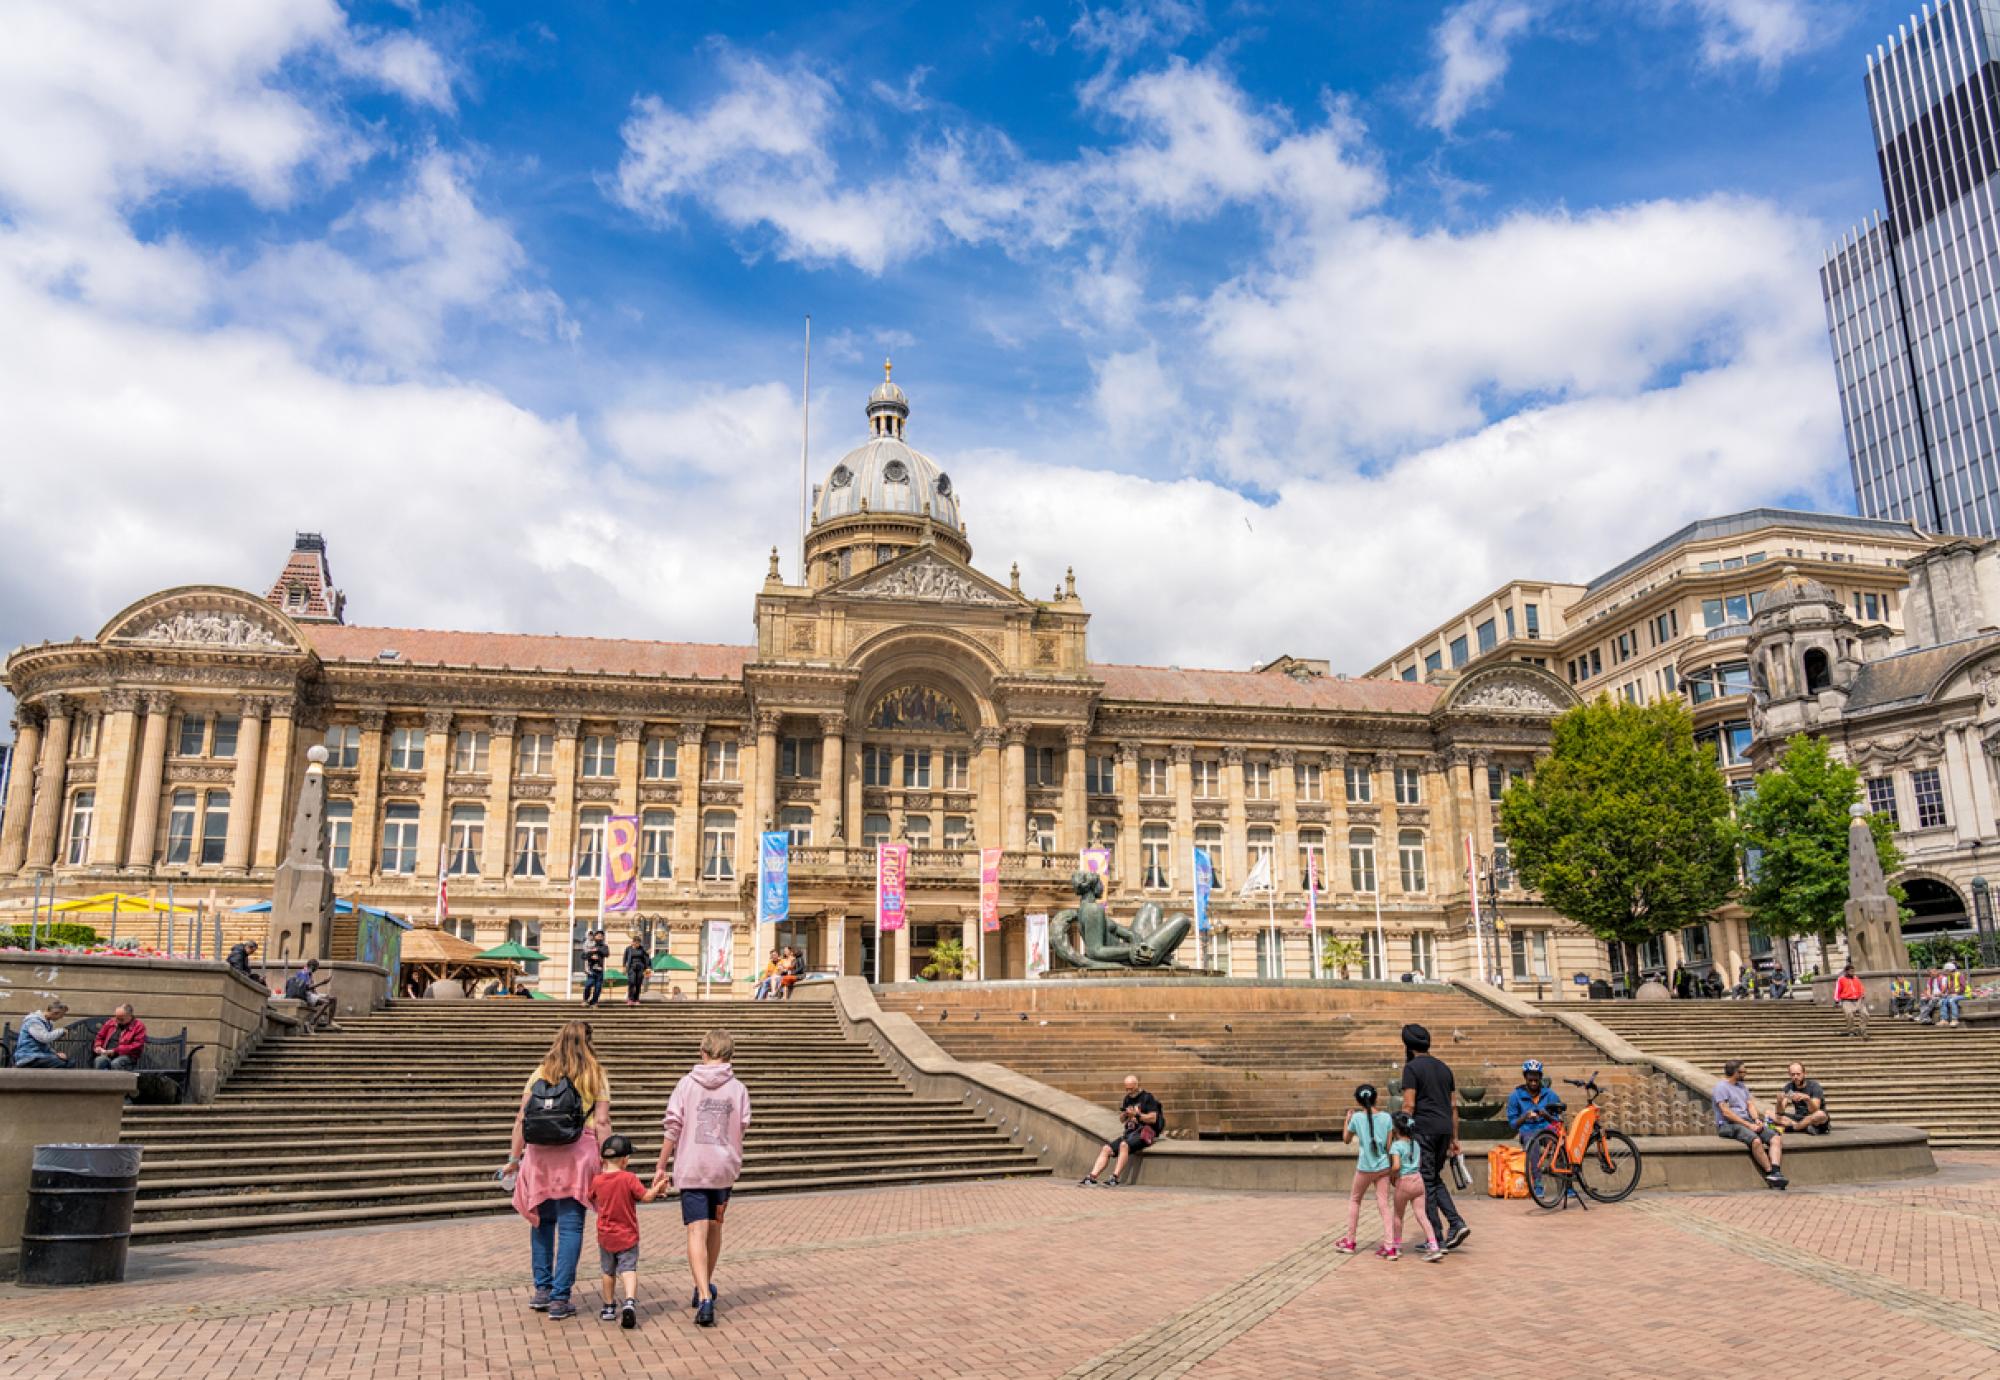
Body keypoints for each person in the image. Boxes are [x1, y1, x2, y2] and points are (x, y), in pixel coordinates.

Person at [505, 1020, 611, 1320]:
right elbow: (602, 1122)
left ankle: (542, 1289)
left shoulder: (541, 1072)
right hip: (578, 1154)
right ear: (588, 1041)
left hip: (539, 1156)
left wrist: (514, 1158)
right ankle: (560, 1298)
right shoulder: (594, 1073)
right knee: (571, 1226)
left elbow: (521, 1118)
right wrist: (607, 1160)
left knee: (541, 1221)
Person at [652, 1028, 752, 1328]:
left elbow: (673, 1127)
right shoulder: (738, 1089)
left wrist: (661, 1164)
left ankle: (704, 1295)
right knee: (715, 1227)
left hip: (693, 1167)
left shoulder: (686, 1085)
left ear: (702, 1052)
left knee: (696, 1231)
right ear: (730, 1054)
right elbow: (742, 1126)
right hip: (723, 1169)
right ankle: (704, 1283)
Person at [1399, 1023, 1469, 1252]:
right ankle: (1454, 1224)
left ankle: (1436, 1237)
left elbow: (1409, 1104)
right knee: (1432, 1178)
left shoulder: (1411, 1069)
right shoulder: (1443, 1068)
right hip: (1444, 1129)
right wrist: (1454, 1138)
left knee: (1424, 1182)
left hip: (1424, 1130)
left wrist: (1399, 1134)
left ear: (1408, 1047)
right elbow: (1453, 1107)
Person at [589, 1133, 662, 1328]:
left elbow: (591, 1197)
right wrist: (658, 1188)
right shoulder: (629, 1178)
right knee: (628, 1269)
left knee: (607, 1271)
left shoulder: (597, 1180)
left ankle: (608, 1306)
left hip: (605, 1235)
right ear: (624, 1160)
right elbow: (646, 1197)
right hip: (627, 1234)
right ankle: (629, 1301)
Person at [1339, 1083, 1398, 1258]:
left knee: (1355, 1200)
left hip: (1364, 1167)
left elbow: (1346, 1140)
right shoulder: (1387, 1118)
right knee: (1384, 1205)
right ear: (1376, 1098)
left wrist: (1347, 1120)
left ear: (1358, 1101)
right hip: (1382, 1168)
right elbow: (1389, 1146)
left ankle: (1350, 1241)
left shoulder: (1356, 1118)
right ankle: (1390, 1245)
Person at [1078, 1074, 1163, 1187]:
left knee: (1124, 1145)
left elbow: (1153, 1118)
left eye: (1131, 1089)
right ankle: (1092, 1177)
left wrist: (1136, 1115)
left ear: (1137, 1086)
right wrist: (1125, 1114)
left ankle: (1114, 1178)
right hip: (1130, 1133)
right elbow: (1122, 1120)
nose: (1128, 1092)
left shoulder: (1147, 1098)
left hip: (1143, 1133)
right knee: (1106, 1149)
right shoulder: (1127, 1099)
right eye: (1126, 1089)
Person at [1713, 1059, 1786, 1189]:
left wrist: (1756, 1119)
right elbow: (1726, 1112)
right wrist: (1749, 1125)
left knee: (1775, 1137)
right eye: (1743, 1071)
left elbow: (1750, 1104)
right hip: (1728, 1124)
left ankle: (1776, 1172)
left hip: (1748, 1121)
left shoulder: (1742, 1086)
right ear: (1736, 1073)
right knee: (1756, 1141)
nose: (1745, 1073)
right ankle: (1769, 1172)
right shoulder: (1721, 1087)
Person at [1387, 1111, 1444, 1263]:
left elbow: (1397, 1166)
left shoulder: (1396, 1146)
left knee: (1398, 1215)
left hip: (1403, 1182)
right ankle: (1433, 1246)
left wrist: (1391, 1174)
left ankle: (1397, 1246)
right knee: (1421, 1215)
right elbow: (1418, 1165)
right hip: (1418, 1181)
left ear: (1396, 1130)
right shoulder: (1416, 1144)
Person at [1504, 1059, 1565, 1196]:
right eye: (1530, 1080)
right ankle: (1537, 1183)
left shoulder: (1550, 1095)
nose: (1533, 1083)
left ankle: (1566, 1185)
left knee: (1560, 1144)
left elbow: (1559, 1119)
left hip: (1546, 1127)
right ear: (1525, 1077)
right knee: (1533, 1144)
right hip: (1528, 1130)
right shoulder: (1516, 1096)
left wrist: (1546, 1115)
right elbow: (1512, 1123)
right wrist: (1525, 1117)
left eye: (1536, 1080)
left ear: (1540, 1078)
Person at [1774, 1062, 1829, 1136]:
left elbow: (1814, 1110)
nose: (1795, 1077)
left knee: (1820, 1115)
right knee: (1769, 1114)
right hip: (1799, 1118)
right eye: (1793, 1074)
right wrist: (1779, 1102)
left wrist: (1808, 1099)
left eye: (1798, 1074)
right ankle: (1805, 1127)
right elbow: (1780, 1112)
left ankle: (1794, 1128)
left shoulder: (1814, 1086)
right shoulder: (1789, 1088)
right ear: (1789, 1075)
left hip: (1814, 1117)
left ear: (1804, 1073)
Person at [13, 1001, 72, 1068]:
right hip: (27, 1057)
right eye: (61, 1015)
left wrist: (56, 1054)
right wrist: (61, 1031)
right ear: (55, 1012)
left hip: (39, 1056)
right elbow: (44, 1038)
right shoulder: (33, 1021)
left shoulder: (47, 1023)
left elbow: (44, 1045)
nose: (61, 1018)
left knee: (68, 1061)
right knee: (63, 1064)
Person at [284, 958, 337, 1032]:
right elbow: (306, 988)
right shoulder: (303, 973)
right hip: (305, 995)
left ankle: (329, 1022)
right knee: (326, 1002)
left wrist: (317, 993)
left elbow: (311, 988)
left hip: (312, 994)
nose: (316, 970)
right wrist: (322, 983)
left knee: (333, 999)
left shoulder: (309, 973)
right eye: (316, 968)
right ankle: (312, 1022)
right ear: (312, 966)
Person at [91, 1004, 147, 1071]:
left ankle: (117, 1081)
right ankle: (100, 1081)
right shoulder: (111, 1022)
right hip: (107, 1054)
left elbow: (137, 1045)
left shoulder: (138, 1026)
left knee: (116, 1063)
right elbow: (100, 1036)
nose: (117, 1021)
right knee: (99, 1061)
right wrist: (98, 1046)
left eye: (121, 1019)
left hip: (127, 1056)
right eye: (116, 1017)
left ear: (130, 1016)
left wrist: (115, 1051)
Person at [1833, 963, 1868, 1039]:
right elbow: (1837, 990)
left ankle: (1861, 1030)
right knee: (1849, 1015)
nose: (1853, 973)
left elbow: (1861, 987)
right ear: (1846, 971)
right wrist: (1836, 1000)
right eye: (1851, 971)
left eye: (1853, 971)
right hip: (1847, 1001)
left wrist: (1862, 994)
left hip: (1858, 1000)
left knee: (1865, 1014)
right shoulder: (1841, 979)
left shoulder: (1856, 978)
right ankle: (1851, 1031)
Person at [581, 931, 610, 1008]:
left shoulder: (604, 946)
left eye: (601, 936)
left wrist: (597, 950)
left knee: (598, 988)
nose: (600, 937)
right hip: (591, 970)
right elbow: (583, 956)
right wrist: (591, 956)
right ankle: (585, 1000)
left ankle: (594, 1002)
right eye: (598, 936)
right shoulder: (590, 944)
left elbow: (606, 954)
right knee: (588, 984)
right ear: (595, 937)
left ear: (603, 938)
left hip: (600, 970)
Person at [622, 934, 651, 1006]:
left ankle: (636, 999)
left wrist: (648, 970)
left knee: (638, 984)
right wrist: (624, 967)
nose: (637, 944)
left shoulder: (642, 949)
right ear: (633, 942)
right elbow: (625, 958)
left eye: (639, 943)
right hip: (631, 967)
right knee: (631, 982)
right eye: (636, 943)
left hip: (640, 967)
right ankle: (630, 999)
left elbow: (647, 959)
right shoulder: (628, 949)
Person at [1938, 961, 1967, 1027]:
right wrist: (1946, 994)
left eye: (1946, 971)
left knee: (1952, 1000)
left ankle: (1954, 1020)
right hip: (1953, 995)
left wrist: (1957, 993)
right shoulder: (1948, 977)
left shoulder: (1959, 975)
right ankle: (1944, 1020)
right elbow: (1949, 989)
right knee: (1943, 1001)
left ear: (1950, 970)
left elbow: (1963, 987)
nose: (1945, 973)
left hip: (1963, 994)